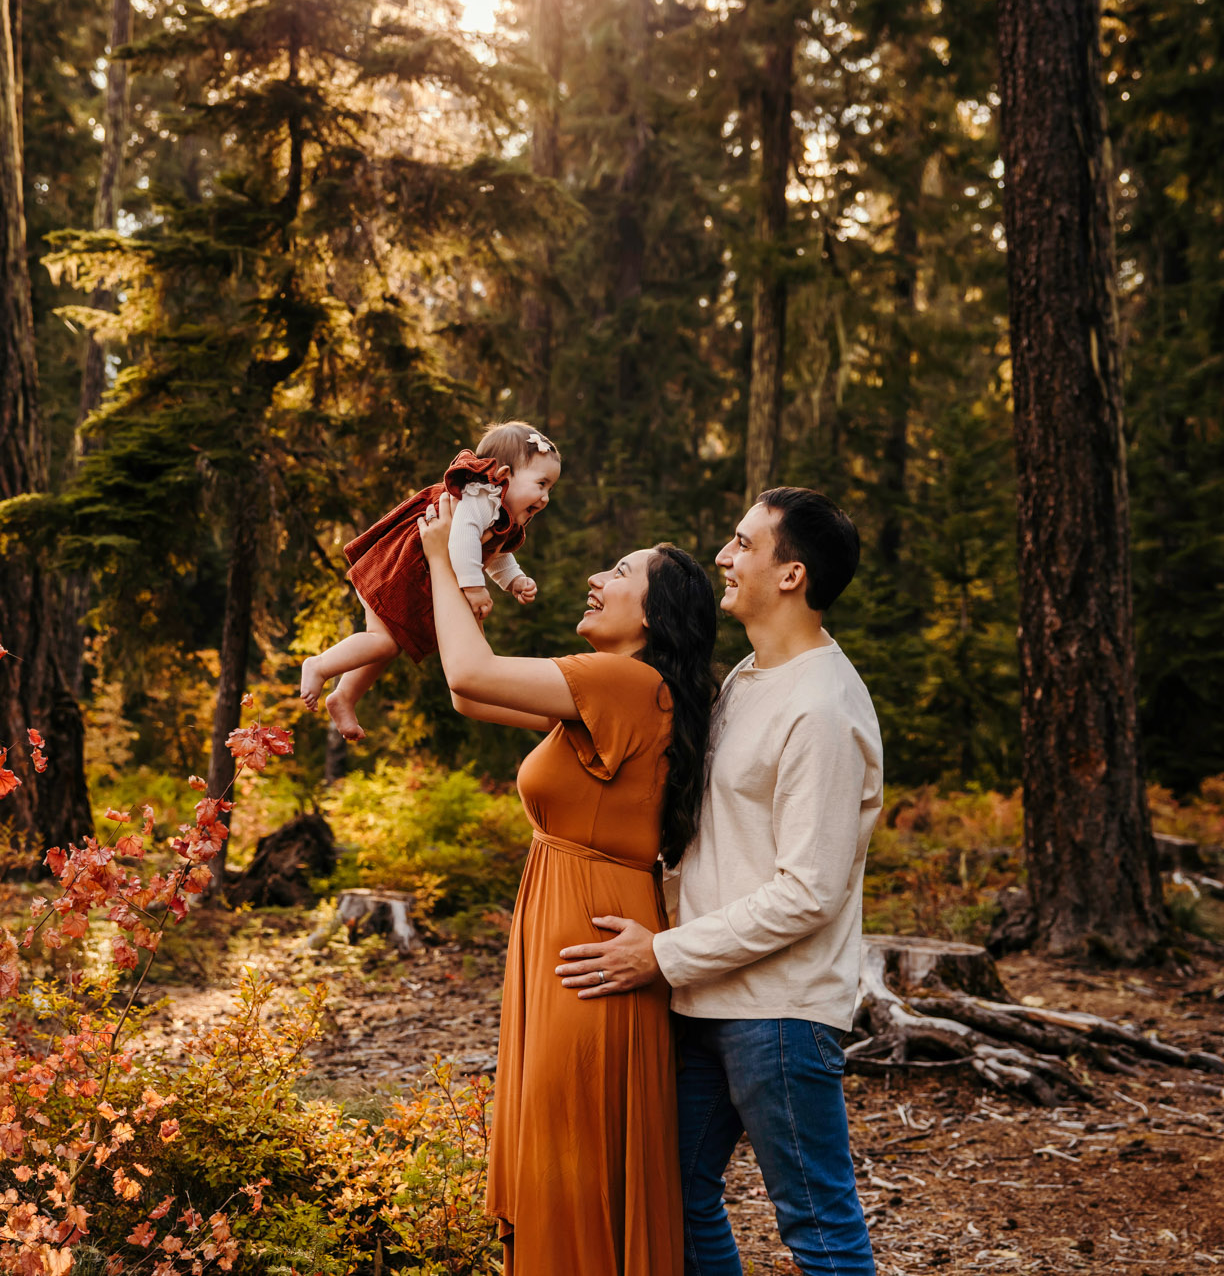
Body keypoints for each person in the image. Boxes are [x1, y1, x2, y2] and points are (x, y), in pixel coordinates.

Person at [555, 486, 885, 1276]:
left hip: (778, 1012)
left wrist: (662, 954)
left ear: (791, 575)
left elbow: (809, 890)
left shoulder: (825, 708)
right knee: (678, 1197)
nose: (724, 558)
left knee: (817, 1228)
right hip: (705, 995)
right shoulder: (745, 678)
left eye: (743, 544)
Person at [415, 489, 719, 1276]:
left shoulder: (621, 683)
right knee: (568, 1146)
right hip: (575, 920)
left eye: (619, 571)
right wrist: (458, 567)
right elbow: (466, 691)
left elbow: (468, 667)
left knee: (569, 1151)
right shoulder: (618, 693)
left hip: (586, 938)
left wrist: (443, 559)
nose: (596, 576)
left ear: (655, 614)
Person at [299, 421, 560, 740]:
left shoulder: (497, 512)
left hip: (409, 574)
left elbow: (495, 551)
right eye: (541, 484)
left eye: (550, 489)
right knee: (382, 641)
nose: (546, 497)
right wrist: (474, 588)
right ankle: (320, 666)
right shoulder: (480, 497)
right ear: (504, 476)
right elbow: (463, 541)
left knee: (388, 644)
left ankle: (345, 696)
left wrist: (514, 580)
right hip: (396, 570)